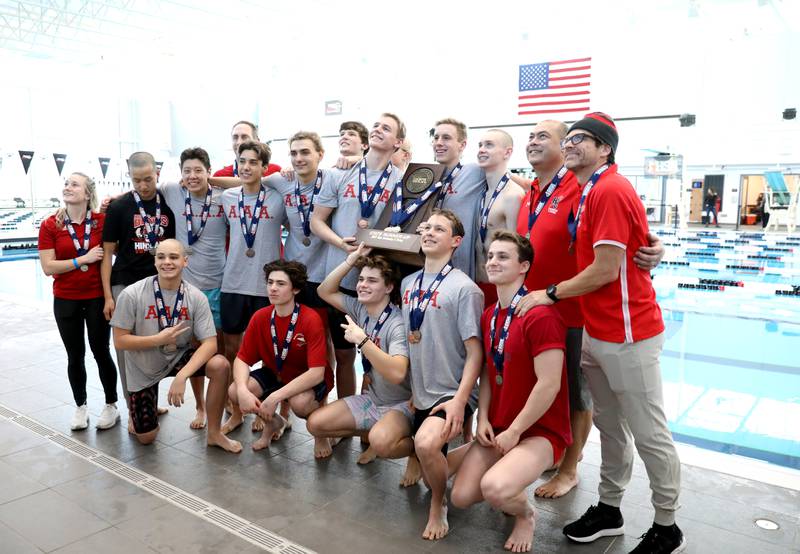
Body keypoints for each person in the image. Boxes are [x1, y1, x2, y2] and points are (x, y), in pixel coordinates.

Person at [518, 113, 685, 552]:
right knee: (611, 426)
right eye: (568, 139)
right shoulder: (592, 188)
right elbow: (642, 239)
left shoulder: (609, 189)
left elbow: (606, 270)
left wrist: (548, 294)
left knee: (649, 432)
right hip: (597, 330)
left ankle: (667, 526)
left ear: (605, 149)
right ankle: (610, 508)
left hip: (629, 333)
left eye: (582, 140)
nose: (570, 145)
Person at [451, 230, 571, 553]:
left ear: (523, 267)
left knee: (495, 488)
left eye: (503, 256)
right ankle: (500, 473)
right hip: (502, 427)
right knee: (461, 496)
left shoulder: (540, 315)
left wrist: (516, 431)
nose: (493, 261)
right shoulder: (490, 315)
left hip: (540, 432)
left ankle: (525, 514)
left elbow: (550, 384)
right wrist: (484, 418)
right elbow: (490, 374)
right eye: (490, 256)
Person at [110, 239, 241, 453]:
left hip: (178, 356)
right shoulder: (132, 294)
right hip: (144, 365)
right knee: (146, 438)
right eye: (161, 257)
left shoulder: (195, 297)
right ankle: (145, 411)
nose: (167, 262)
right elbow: (120, 340)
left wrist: (183, 376)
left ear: (185, 261)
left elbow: (210, 344)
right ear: (154, 261)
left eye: (173, 257)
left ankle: (215, 434)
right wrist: (158, 339)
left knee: (220, 364)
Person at [401, 209, 483, 541]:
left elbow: (476, 354)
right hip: (422, 390)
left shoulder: (465, 289)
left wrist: (461, 401)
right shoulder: (408, 284)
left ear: (456, 241)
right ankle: (476, 452)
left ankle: (439, 502)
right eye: (427, 227)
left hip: (452, 390)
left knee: (424, 443)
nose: (430, 233)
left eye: (440, 229)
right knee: (425, 455)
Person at [311, 113, 405, 401]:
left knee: (373, 355)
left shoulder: (401, 180)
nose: (377, 129)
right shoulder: (339, 175)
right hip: (339, 276)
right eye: (375, 125)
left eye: (385, 128)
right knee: (340, 353)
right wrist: (342, 243)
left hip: (375, 282)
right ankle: (341, 412)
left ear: (398, 142)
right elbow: (317, 221)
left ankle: (372, 420)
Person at [310, 245, 419, 480]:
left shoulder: (397, 324)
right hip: (374, 399)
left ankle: (417, 452)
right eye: (361, 279)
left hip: (402, 404)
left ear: (389, 287)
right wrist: (351, 260)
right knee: (315, 424)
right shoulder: (360, 308)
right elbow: (324, 291)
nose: (362, 285)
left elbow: (398, 373)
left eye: (372, 281)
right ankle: (378, 433)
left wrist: (363, 341)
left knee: (382, 443)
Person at [38, 172, 120, 431]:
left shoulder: (102, 222)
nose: (68, 187)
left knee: (101, 351)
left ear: (87, 194)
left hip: (96, 298)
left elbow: (117, 250)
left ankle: (111, 405)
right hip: (66, 300)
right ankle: (81, 407)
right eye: (66, 183)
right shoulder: (51, 224)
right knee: (75, 355)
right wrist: (81, 260)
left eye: (74, 184)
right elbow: (48, 267)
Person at [228, 260, 334, 455]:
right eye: (270, 283)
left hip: (306, 377)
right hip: (276, 373)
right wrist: (243, 390)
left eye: (280, 284)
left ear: (296, 289)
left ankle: (321, 435)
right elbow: (242, 359)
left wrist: (275, 397)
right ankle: (275, 423)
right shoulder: (260, 317)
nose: (273, 289)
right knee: (235, 390)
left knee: (300, 404)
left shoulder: (310, 319)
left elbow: (317, 373)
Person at [218, 141, 286, 434]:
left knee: (271, 352)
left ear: (264, 167)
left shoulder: (277, 198)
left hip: (266, 285)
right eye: (242, 161)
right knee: (234, 349)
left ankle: (269, 411)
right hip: (233, 282)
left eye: (253, 162)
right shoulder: (227, 198)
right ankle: (236, 411)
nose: (246, 167)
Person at [159, 147, 228, 430]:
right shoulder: (174, 192)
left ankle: (226, 404)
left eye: (198, 170)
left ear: (209, 172)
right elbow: (145, 185)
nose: (192, 176)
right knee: (194, 349)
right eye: (187, 171)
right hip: (187, 288)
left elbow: (253, 184)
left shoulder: (224, 198)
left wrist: (220, 182)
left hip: (219, 284)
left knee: (220, 351)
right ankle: (199, 407)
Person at [102, 152, 176, 410]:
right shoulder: (119, 206)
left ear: (157, 173)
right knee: (126, 351)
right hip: (125, 284)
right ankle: (133, 406)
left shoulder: (167, 203)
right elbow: (108, 253)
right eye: (137, 181)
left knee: (151, 348)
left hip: (156, 285)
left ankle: (149, 402)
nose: (143, 186)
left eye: (148, 179)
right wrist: (109, 296)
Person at [474, 129, 525, 307]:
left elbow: (517, 249)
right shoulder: (480, 194)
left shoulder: (513, 195)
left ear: (507, 152)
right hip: (477, 283)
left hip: (501, 287)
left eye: (489, 145)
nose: (481, 149)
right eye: (480, 145)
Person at [213, 120, 281, 178]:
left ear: (257, 140)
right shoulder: (220, 175)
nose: (239, 142)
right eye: (235, 137)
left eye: (244, 137)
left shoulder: (275, 171)